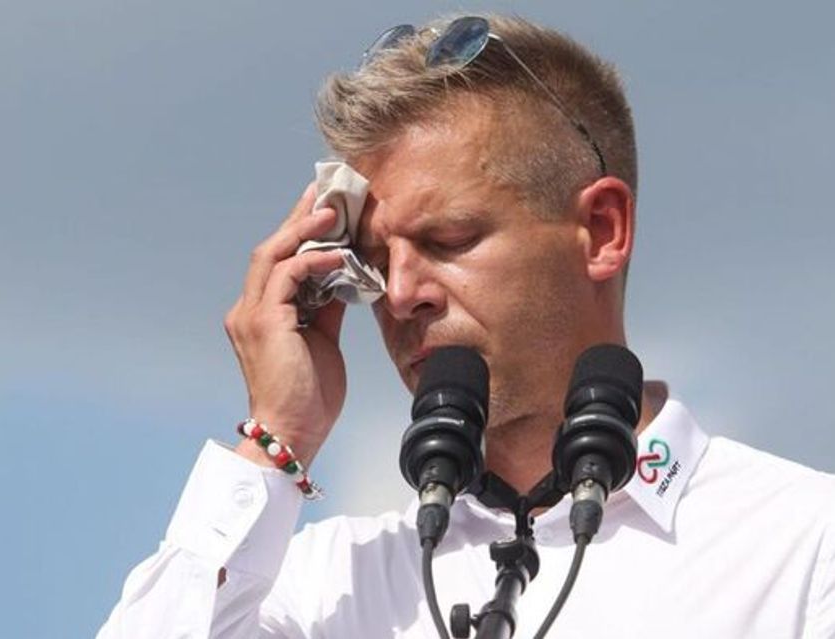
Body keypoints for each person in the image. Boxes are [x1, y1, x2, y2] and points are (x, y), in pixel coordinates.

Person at [99, 14, 835, 638]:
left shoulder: (804, 541)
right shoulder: (325, 584)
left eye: (449, 239)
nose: (400, 294)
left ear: (603, 230)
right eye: (374, 262)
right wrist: (276, 438)